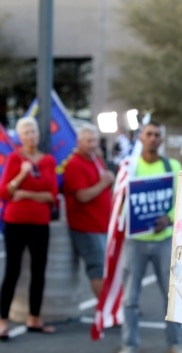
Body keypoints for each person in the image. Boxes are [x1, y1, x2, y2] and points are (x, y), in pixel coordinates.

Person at [119, 121, 182, 353]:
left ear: (161, 139)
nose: (153, 138)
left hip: (164, 241)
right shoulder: (130, 167)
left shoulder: (172, 165)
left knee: (171, 296)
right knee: (130, 297)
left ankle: (174, 343)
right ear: (140, 138)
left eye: (157, 134)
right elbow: (119, 202)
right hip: (135, 241)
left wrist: (167, 219)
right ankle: (129, 344)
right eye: (148, 134)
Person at [0, 117, 59, 340]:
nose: (31, 136)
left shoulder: (48, 161)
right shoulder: (15, 159)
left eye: (33, 131)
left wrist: (25, 194)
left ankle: (34, 317)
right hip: (15, 222)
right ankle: (2, 319)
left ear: (38, 134)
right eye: (26, 132)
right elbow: (5, 192)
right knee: (12, 270)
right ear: (20, 136)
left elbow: (51, 195)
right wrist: (22, 174)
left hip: (40, 223)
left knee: (38, 270)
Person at [62, 123, 114, 298]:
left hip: (101, 223)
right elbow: (82, 196)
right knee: (97, 267)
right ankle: (103, 307)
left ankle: (108, 305)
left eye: (95, 141)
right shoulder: (75, 165)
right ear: (79, 142)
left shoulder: (95, 159)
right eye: (89, 141)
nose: (93, 145)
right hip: (87, 226)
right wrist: (104, 183)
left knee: (105, 266)